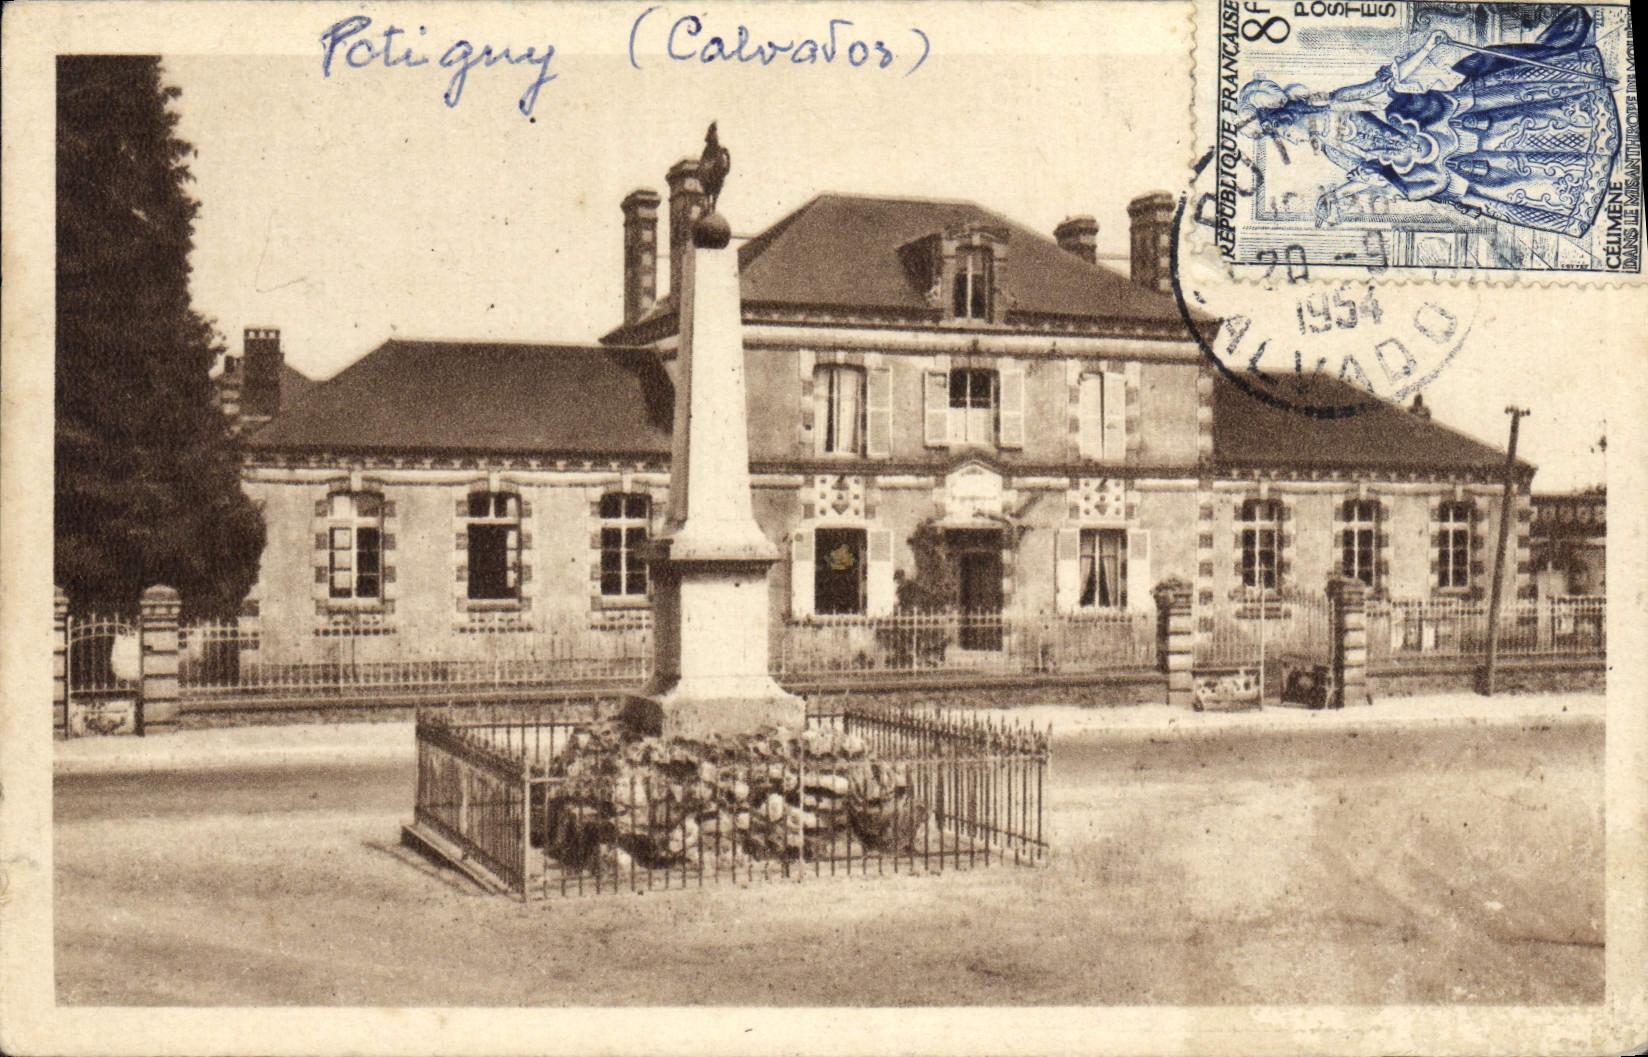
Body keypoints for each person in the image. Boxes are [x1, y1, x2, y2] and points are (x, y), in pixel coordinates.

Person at [1237, 6, 1621, 237]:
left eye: (1282, 131)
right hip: (1431, 168)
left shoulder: (1339, 102)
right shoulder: (1333, 152)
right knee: (1504, 175)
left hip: (1441, 121)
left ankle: (1579, 102)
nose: (1289, 140)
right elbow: (1373, 175)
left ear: (1292, 115)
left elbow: (1387, 84)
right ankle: (1578, 180)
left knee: (1510, 117)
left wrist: (1427, 48)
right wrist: (1334, 197)